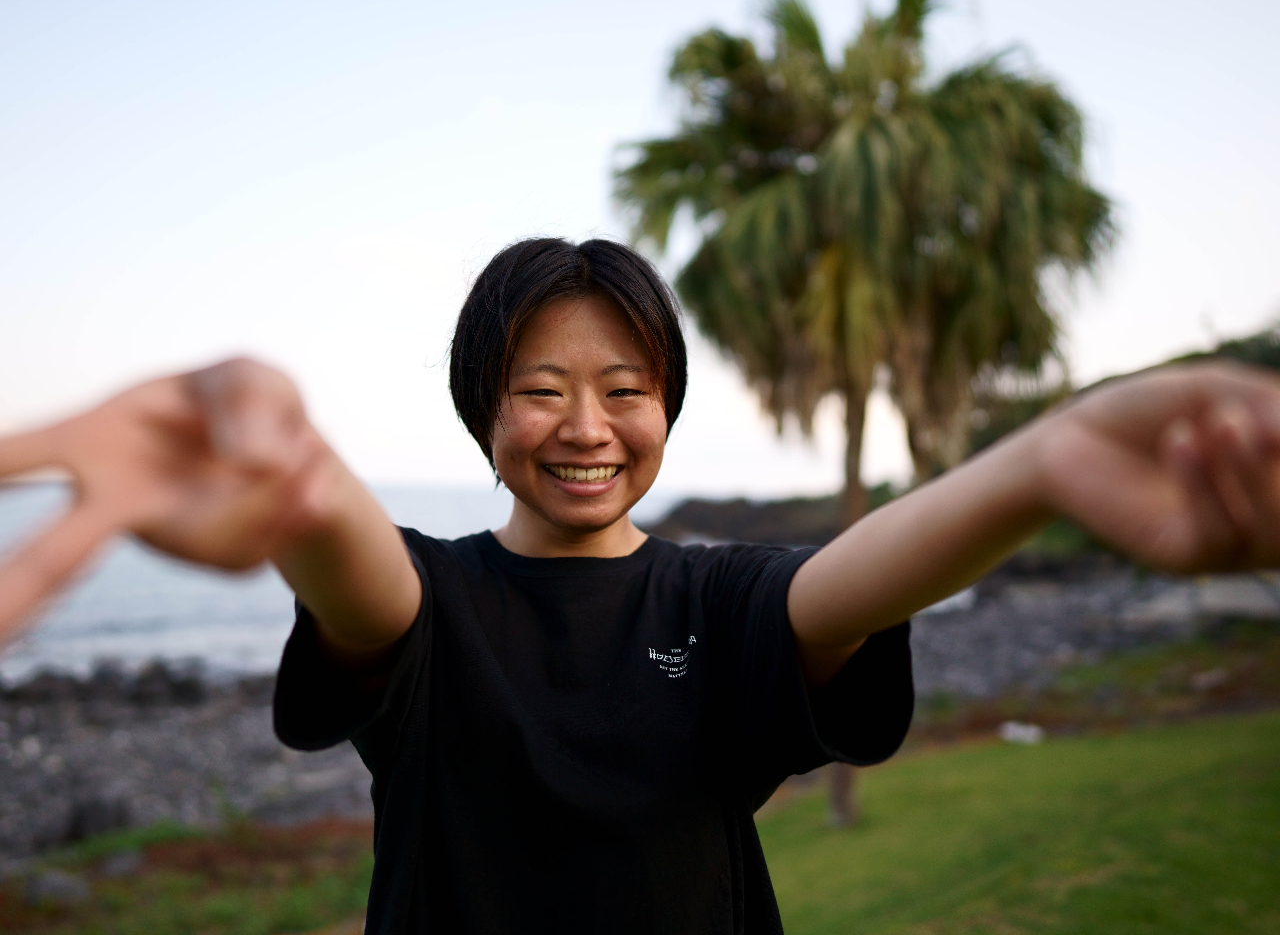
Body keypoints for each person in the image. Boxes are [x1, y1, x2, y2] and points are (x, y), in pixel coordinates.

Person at [1, 237, 1279, 933]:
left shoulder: (717, 601)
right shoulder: (433, 599)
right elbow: (357, 568)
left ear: (664, 409)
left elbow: (846, 584)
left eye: (625, 391)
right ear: (482, 410)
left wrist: (1045, 464)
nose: (586, 428)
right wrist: (294, 470)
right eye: (540, 391)